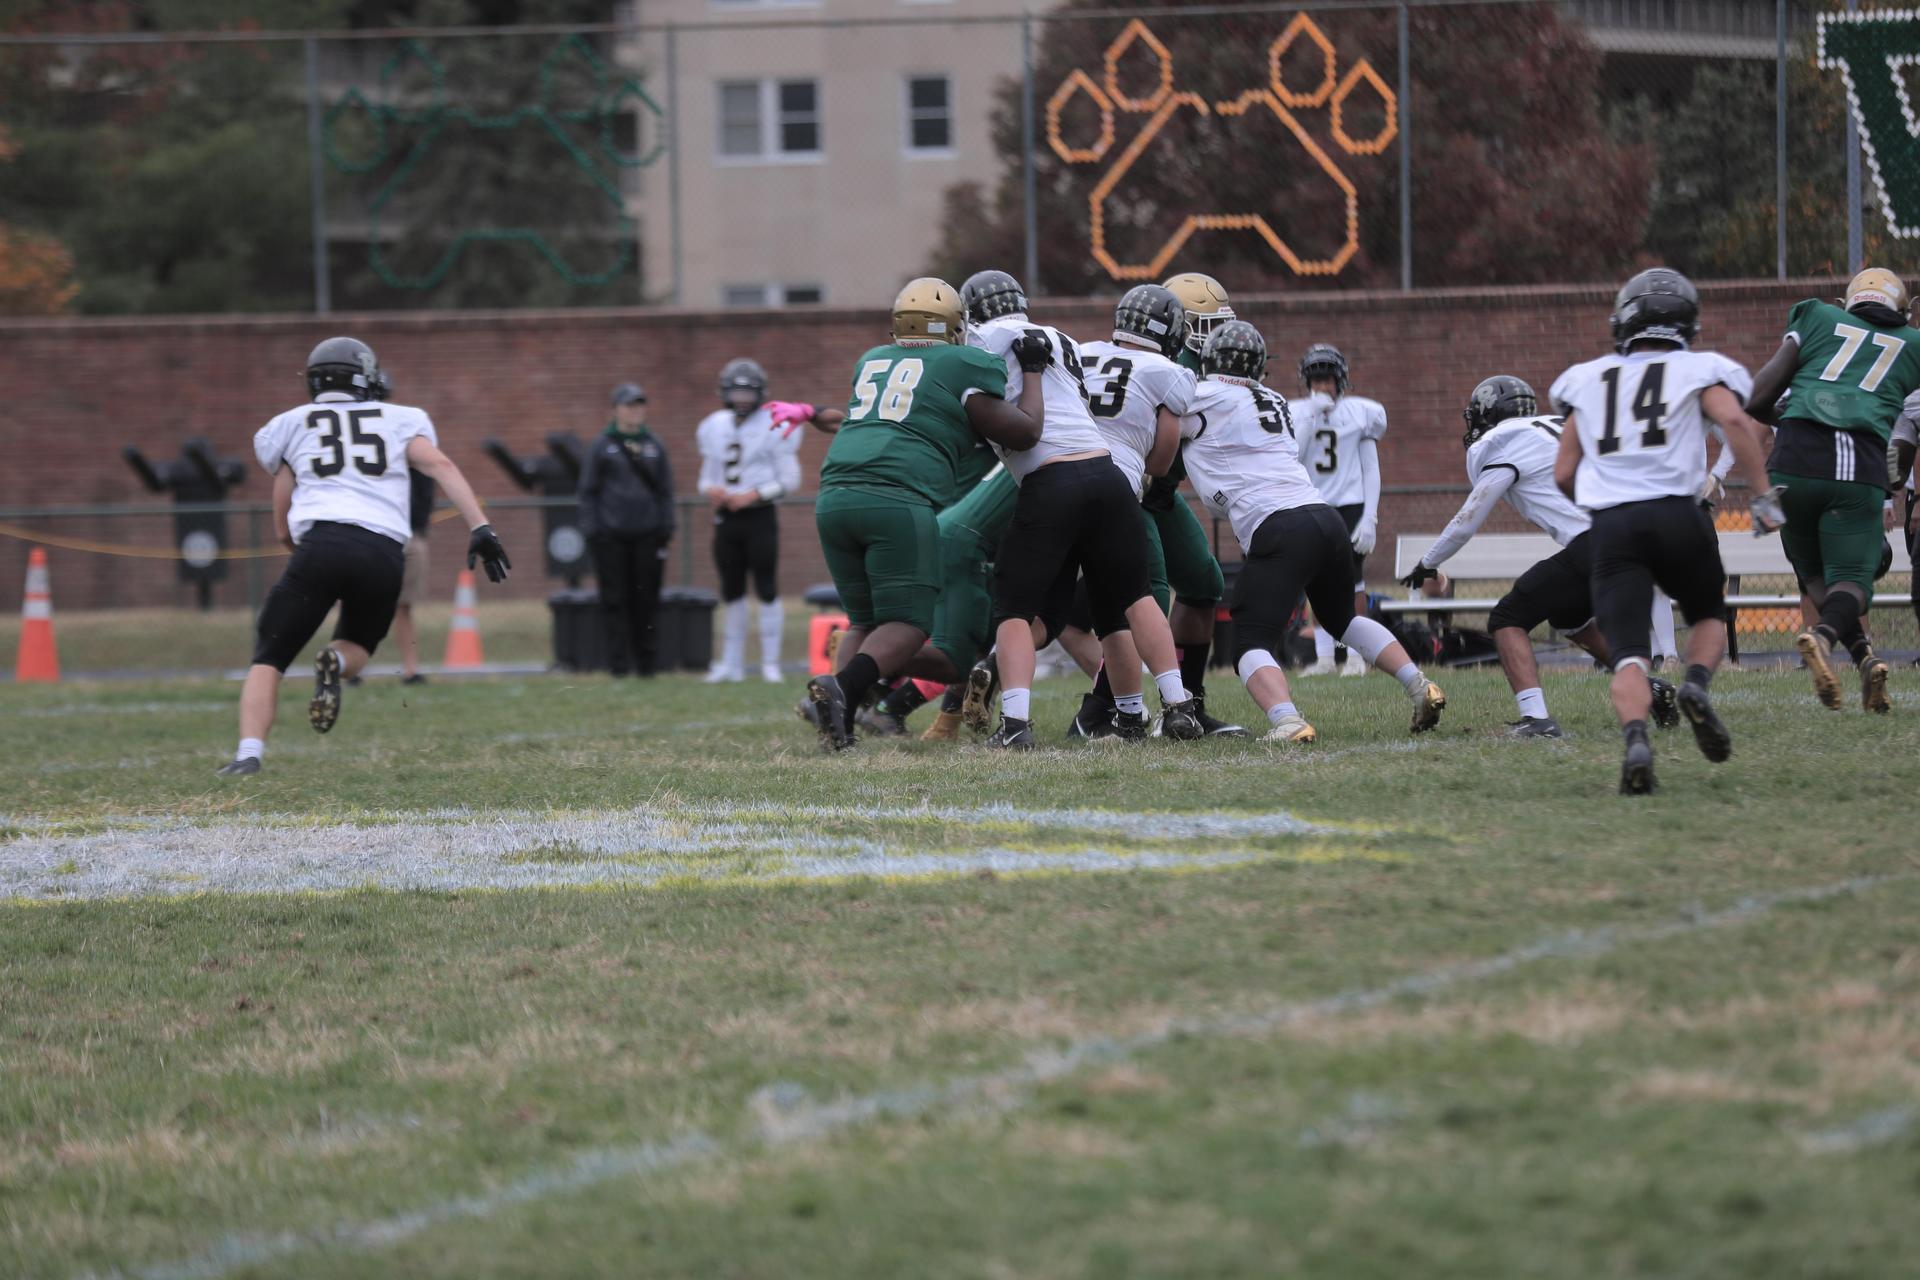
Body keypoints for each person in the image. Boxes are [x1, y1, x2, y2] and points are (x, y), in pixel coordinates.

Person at [218, 337, 509, 776]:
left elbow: (282, 515)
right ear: (366, 379)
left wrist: (300, 552)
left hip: (321, 544)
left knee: (270, 657)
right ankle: (334, 662)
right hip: (384, 552)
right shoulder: (401, 419)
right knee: (358, 645)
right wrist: (481, 527)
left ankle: (248, 754)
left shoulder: (290, 425)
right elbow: (441, 466)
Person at [1550, 268, 1782, 795]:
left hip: (1615, 523)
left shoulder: (1588, 379)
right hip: (1679, 513)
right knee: (1709, 615)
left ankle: (1637, 739)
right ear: (1688, 324)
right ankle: (1695, 686)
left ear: (1623, 322)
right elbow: (1737, 422)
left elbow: (1563, 472)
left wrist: (1601, 509)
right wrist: (1764, 496)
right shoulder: (1700, 368)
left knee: (1629, 653)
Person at [791, 277, 1044, 750]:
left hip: (833, 496)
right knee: (909, 625)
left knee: (864, 621)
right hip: (895, 498)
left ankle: (839, 725)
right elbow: (1025, 432)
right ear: (953, 325)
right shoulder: (962, 361)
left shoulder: (871, 359)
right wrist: (1032, 371)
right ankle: (841, 689)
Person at [958, 269, 1204, 748]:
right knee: (1132, 599)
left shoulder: (982, 341)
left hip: (1051, 480)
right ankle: (1173, 708)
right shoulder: (1060, 337)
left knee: (1014, 609)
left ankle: (1014, 725)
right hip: (1108, 475)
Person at [1178, 320, 1446, 743]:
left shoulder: (1202, 395)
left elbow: (1165, 426)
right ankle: (1420, 685)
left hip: (1278, 525)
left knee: (1249, 641)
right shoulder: (1273, 400)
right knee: (1344, 619)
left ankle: (1288, 720)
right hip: (1325, 517)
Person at [1400, 375, 1681, 739]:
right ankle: (1650, 688)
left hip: (1600, 539)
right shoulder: (1558, 424)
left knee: (1507, 618)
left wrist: (1428, 562)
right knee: (1569, 616)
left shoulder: (1500, 441)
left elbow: (1469, 518)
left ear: (1488, 414)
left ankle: (1536, 718)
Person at [1745, 267, 1920, 713]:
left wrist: (1794, 422)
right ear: (1905, 312)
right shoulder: (1912, 344)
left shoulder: (1818, 317)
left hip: (1791, 461)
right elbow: (1907, 431)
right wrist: (1899, 469)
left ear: (1848, 303)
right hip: (1856, 463)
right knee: (1855, 581)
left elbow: (1757, 398)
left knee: (1815, 578)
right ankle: (1822, 638)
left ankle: (1865, 661)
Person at [696, 358, 802, 683]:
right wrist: (712, 491)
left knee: (766, 587)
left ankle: (770, 663)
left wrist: (753, 495)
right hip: (727, 517)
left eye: (747, 392)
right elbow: (706, 478)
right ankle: (732, 664)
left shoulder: (774, 423)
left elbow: (790, 480)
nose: (742, 399)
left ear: (759, 393)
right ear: (725, 392)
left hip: (759, 516)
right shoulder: (714, 425)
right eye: (736, 392)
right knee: (731, 590)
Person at [1293, 344, 1387, 676]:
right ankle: (1325, 658)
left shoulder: (1361, 412)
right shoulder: (1295, 412)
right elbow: (1291, 454)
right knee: (1315, 581)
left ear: (1340, 381)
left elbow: (1371, 468)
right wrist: (1312, 417)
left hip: (1349, 505)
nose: (1322, 386)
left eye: (1328, 380)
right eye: (1316, 380)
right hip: (1312, 503)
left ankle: (1358, 657)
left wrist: (1370, 516)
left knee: (1353, 582)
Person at [579, 382, 675, 677]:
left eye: (639, 405)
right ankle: (618, 665)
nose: (635, 411)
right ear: (615, 410)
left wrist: (665, 526)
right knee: (614, 599)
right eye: (628, 405)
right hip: (611, 536)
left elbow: (665, 490)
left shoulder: (654, 445)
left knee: (646, 600)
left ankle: (647, 664)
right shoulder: (602, 445)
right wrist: (594, 529)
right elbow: (588, 491)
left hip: (647, 535)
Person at [370, 369, 433, 686]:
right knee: (362, 603)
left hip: (403, 532)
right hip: (372, 531)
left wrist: (418, 526)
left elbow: (425, 482)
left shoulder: (403, 429)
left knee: (403, 605)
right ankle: (350, 667)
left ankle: (410, 668)